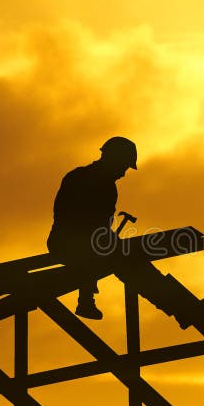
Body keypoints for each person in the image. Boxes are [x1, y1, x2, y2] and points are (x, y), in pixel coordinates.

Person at [47, 136, 137, 319]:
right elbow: (73, 219)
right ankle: (86, 300)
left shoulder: (87, 179)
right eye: (124, 166)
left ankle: (178, 307)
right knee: (130, 262)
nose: (124, 173)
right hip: (67, 245)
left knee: (130, 261)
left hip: (74, 243)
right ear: (114, 159)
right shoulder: (91, 182)